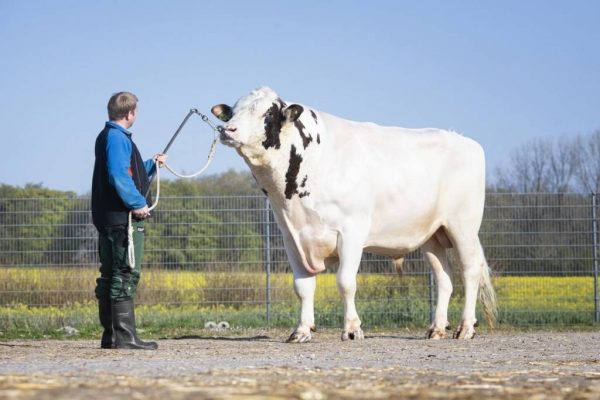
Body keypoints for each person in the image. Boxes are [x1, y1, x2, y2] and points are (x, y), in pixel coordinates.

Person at [91, 91, 166, 350]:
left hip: (108, 217)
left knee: (111, 273)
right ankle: (125, 337)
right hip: (122, 219)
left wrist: (151, 165)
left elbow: (128, 172)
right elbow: (119, 176)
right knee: (125, 273)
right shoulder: (117, 138)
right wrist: (138, 204)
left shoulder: (108, 136)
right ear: (130, 113)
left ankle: (111, 336)